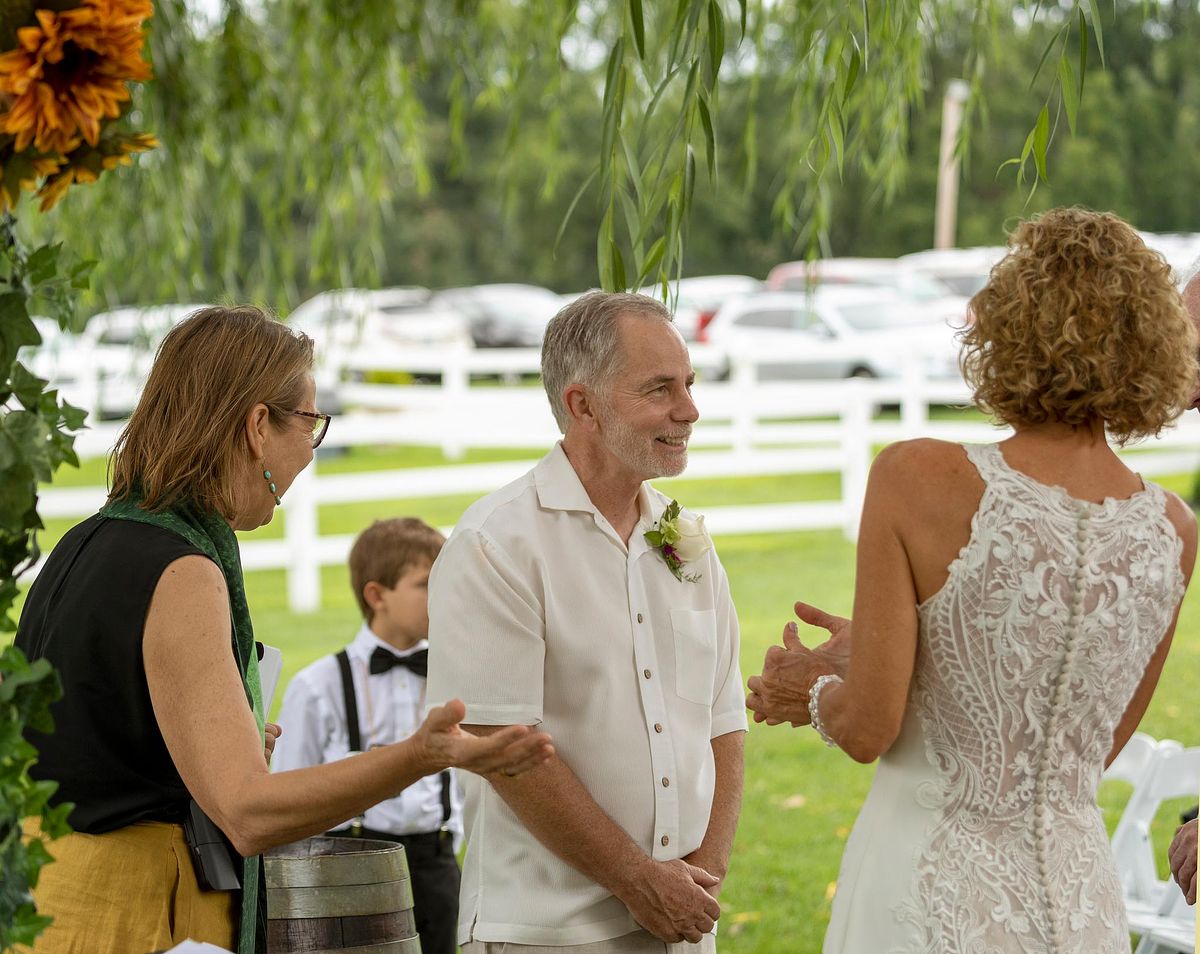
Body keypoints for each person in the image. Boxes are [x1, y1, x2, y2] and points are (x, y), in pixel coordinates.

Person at [14, 306, 553, 954]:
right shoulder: (182, 572)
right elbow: (247, 812)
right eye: (309, 422)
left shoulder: (88, 542)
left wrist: (223, 740)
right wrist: (421, 754)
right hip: (136, 918)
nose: (309, 450)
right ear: (256, 426)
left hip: (52, 904)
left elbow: (98, 750)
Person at [745, 208, 1198, 953]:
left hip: (928, 891)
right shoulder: (1172, 529)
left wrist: (814, 689)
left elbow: (867, 729)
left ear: (1006, 326)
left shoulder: (916, 476)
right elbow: (1084, 744)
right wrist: (904, 650)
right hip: (1082, 902)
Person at [425, 291, 746, 954]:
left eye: (689, 384)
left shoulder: (683, 537)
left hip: (682, 922)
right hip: (545, 932)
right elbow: (505, 747)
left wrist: (700, 883)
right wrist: (638, 881)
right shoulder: (496, 544)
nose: (689, 409)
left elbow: (723, 720)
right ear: (583, 406)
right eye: (660, 389)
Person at [273, 516, 464, 954]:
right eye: (426, 585)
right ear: (377, 596)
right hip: (351, 868)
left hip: (437, 869)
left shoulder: (457, 676)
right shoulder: (318, 686)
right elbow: (288, 793)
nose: (444, 596)